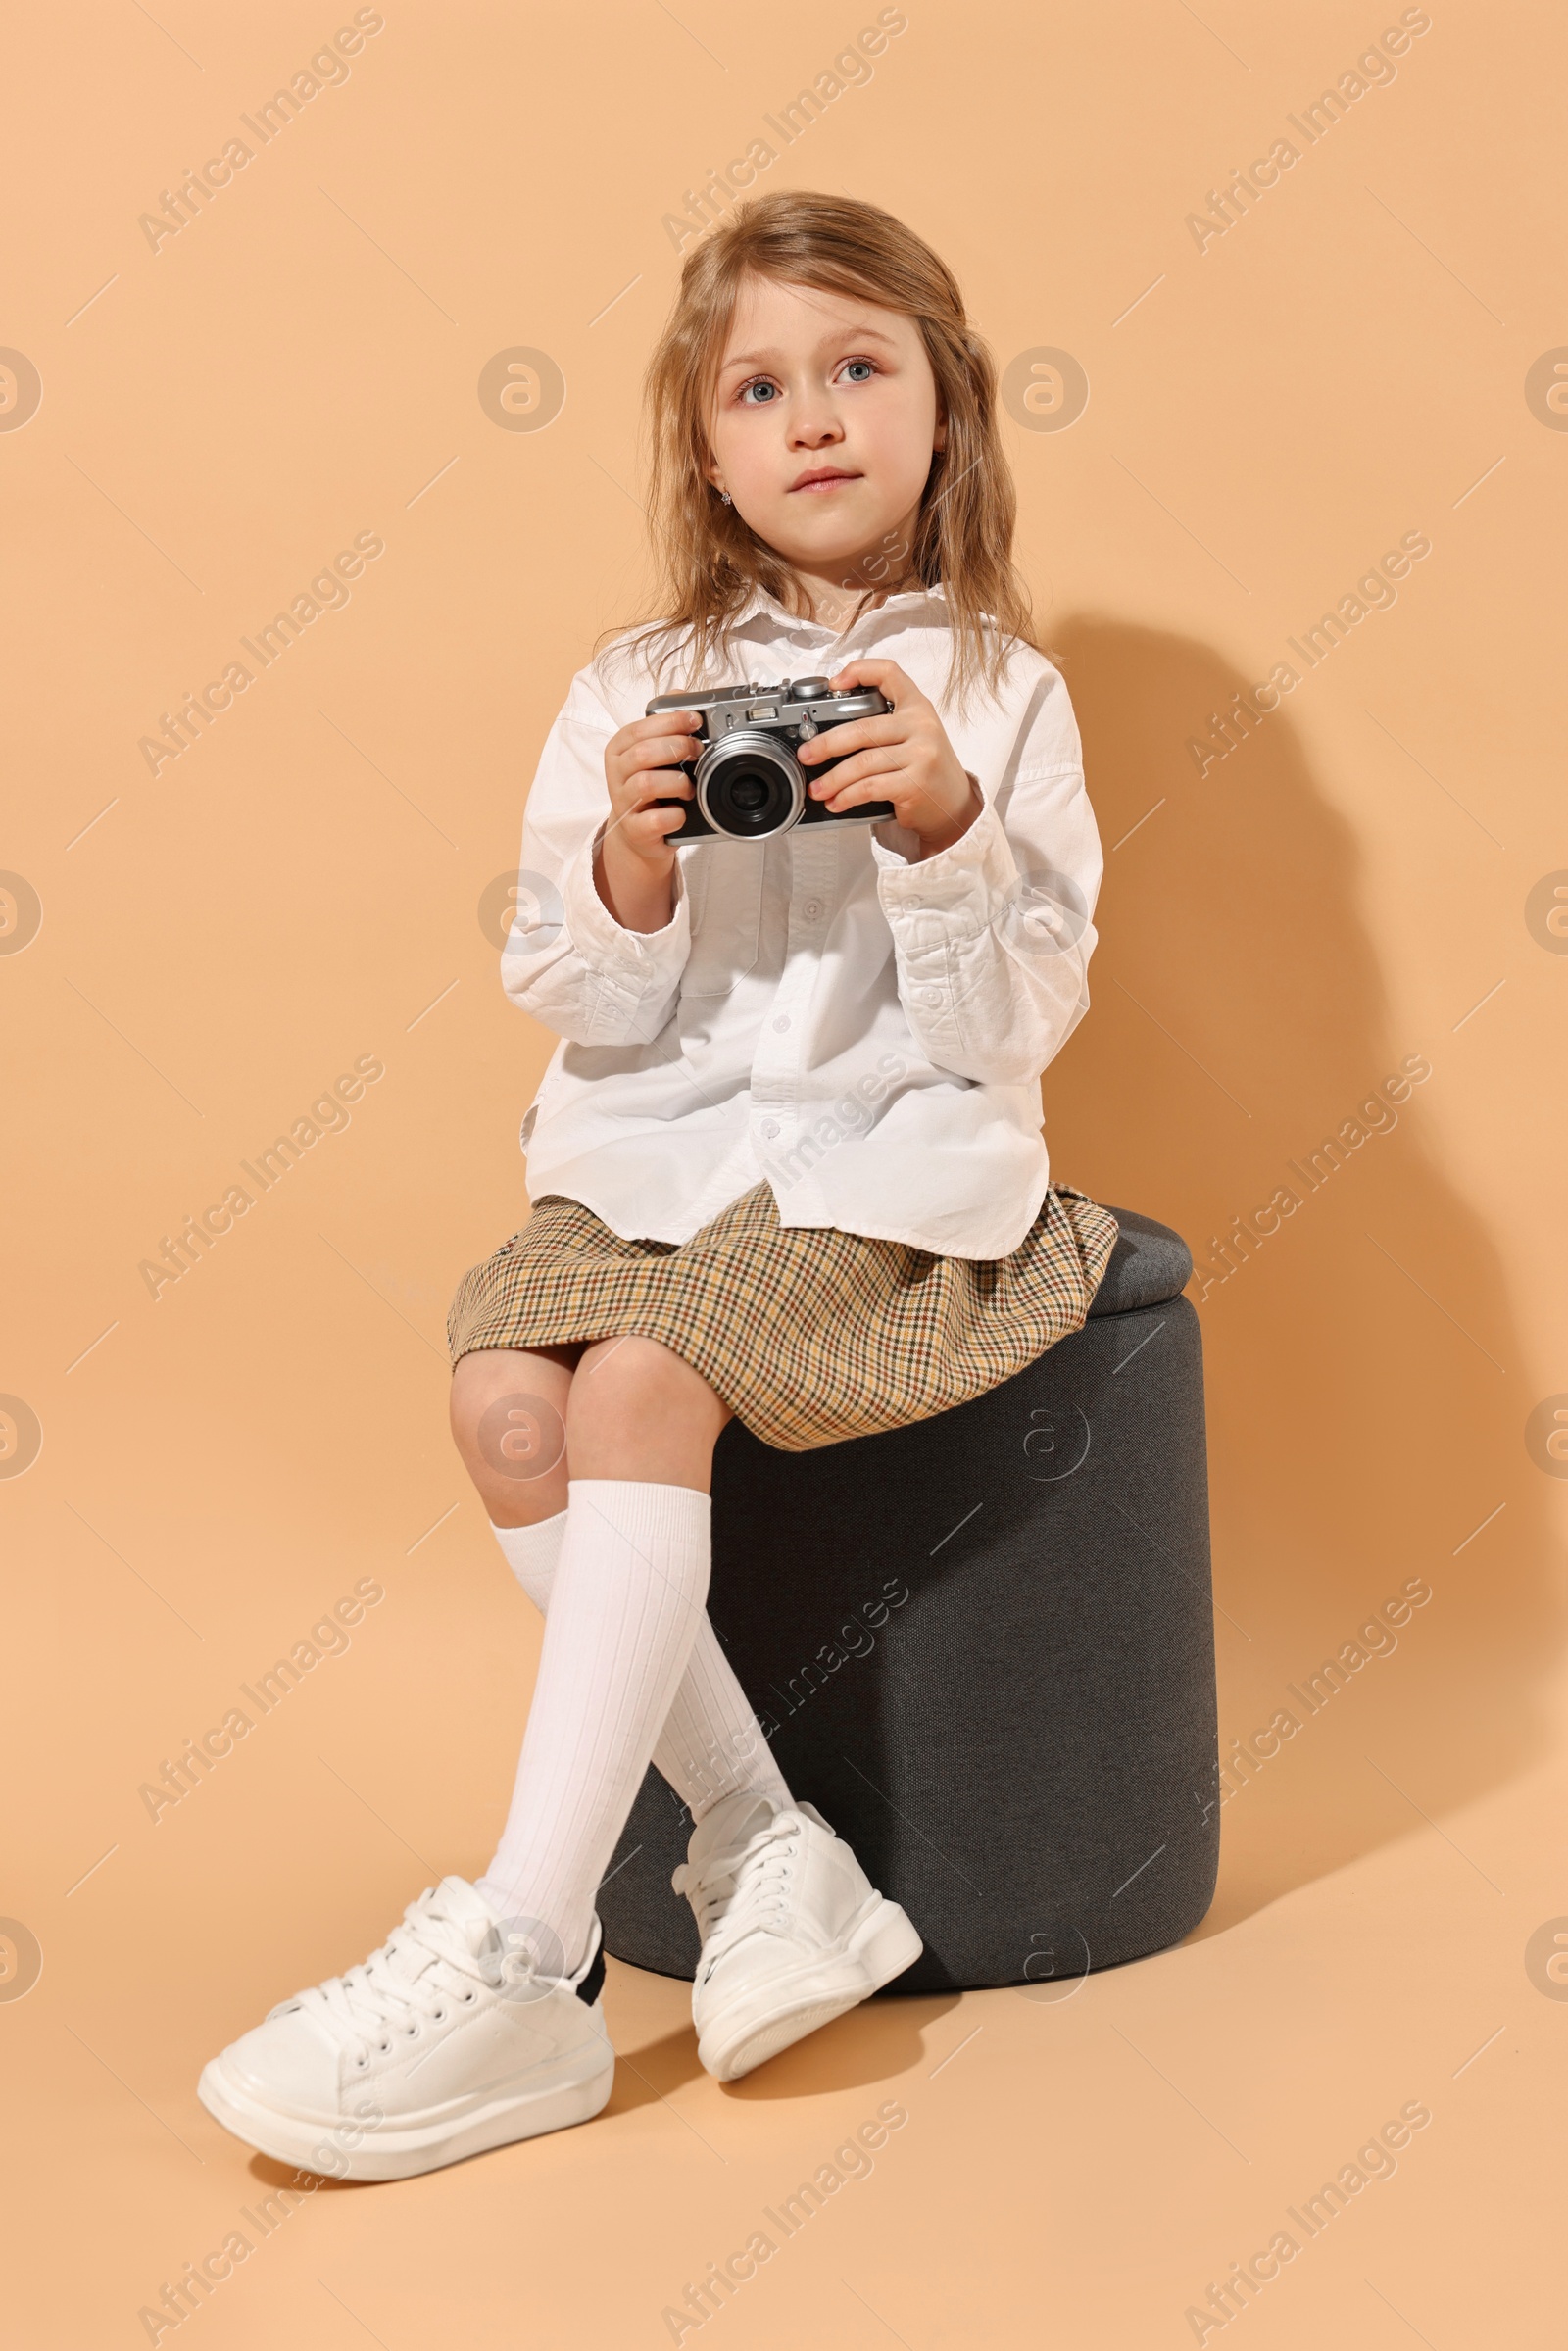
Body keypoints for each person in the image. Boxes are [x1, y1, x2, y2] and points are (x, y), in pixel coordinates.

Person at [197, 191, 1120, 2181]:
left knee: (634, 1386)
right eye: (757, 390)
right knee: (503, 1388)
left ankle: (525, 1955)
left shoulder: (1001, 696)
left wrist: (940, 825)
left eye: (858, 370)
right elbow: (571, 990)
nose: (811, 421)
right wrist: (627, 860)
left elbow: (1008, 1030)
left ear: (942, 409)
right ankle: (764, 1846)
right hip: (657, 1155)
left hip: (892, 1169)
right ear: (698, 450)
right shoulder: (633, 682)